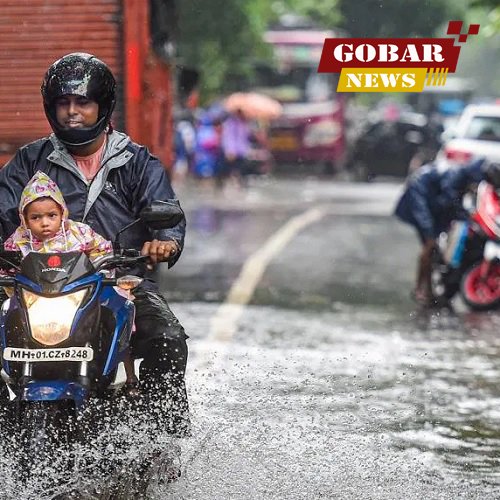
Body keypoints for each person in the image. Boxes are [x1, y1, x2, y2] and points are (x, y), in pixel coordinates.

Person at [0, 53, 190, 438]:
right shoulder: (28, 161)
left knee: (167, 338)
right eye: (63, 103)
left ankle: (160, 434)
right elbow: (3, 211)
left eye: (82, 103)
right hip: (34, 288)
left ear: (102, 107)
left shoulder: (137, 162)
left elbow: (167, 214)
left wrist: (164, 241)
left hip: (116, 284)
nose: (72, 112)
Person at [2, 170, 139, 389]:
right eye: (36, 217)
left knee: (119, 308)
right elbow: (7, 267)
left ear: (62, 213)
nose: (44, 223)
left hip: (78, 297)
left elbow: (102, 250)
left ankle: (129, 376)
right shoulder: (19, 239)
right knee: (6, 312)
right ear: (24, 218)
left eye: (51, 215)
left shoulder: (79, 232)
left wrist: (103, 270)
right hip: (34, 301)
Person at [394, 158, 487, 307]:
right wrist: (463, 216)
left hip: (430, 202)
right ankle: (419, 289)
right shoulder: (456, 175)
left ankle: (428, 290)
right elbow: (448, 200)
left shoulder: (461, 177)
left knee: (432, 246)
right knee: (429, 244)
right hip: (419, 198)